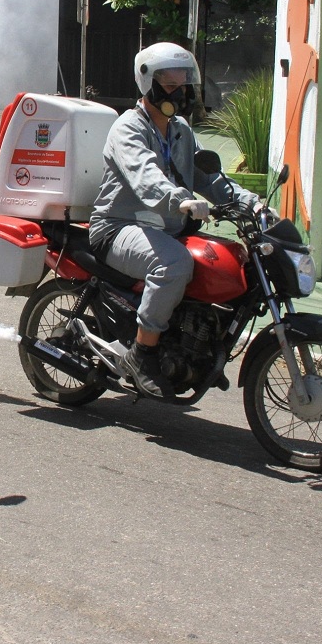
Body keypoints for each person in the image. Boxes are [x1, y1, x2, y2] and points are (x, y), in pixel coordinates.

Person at [89, 42, 258, 398]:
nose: (179, 90)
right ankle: (143, 352)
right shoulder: (128, 129)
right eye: (170, 82)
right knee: (174, 264)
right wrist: (181, 200)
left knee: (216, 261)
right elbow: (145, 175)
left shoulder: (181, 130)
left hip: (163, 226)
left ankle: (197, 351)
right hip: (117, 226)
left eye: (184, 81)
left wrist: (252, 205)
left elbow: (210, 177)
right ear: (148, 82)